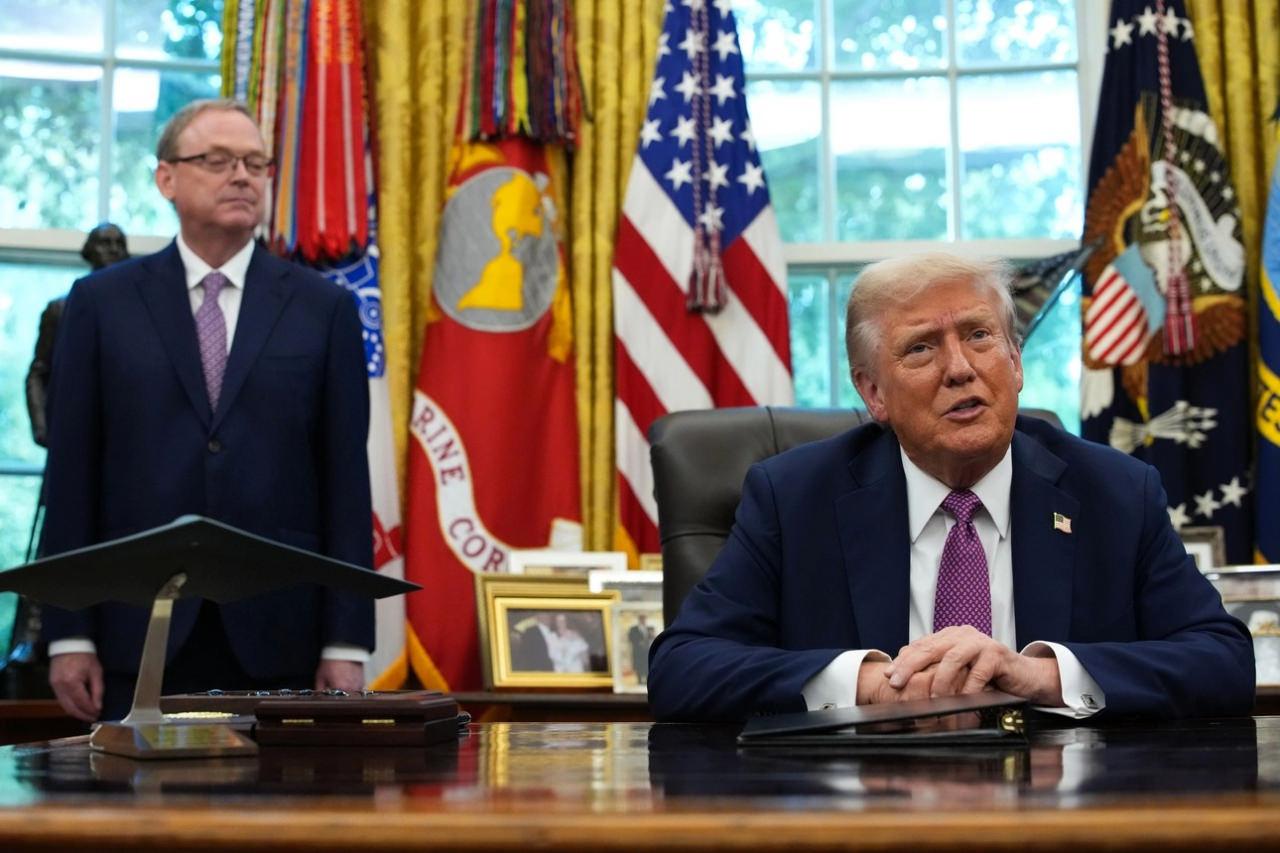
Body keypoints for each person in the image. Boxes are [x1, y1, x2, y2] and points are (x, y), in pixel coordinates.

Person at [648, 252, 1255, 722]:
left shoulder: (1115, 492)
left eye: (979, 335)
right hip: (861, 808)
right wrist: (869, 685)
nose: (960, 368)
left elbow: (1223, 660)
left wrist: (1039, 676)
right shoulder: (793, 498)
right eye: (921, 348)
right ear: (873, 394)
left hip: (1058, 805)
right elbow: (682, 667)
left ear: (1015, 362)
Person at [40, 99, 375, 722]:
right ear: (166, 178)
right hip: (133, 628)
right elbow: (70, 475)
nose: (241, 176)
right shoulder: (101, 304)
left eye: (255, 162)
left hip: (281, 633)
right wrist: (69, 633)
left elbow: (346, 484)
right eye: (217, 161)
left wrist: (347, 641)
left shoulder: (323, 309)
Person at [25, 223, 130, 448]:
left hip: (124, 435)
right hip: (70, 430)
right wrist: (41, 427)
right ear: (89, 251)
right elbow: (38, 372)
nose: (113, 249)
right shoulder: (60, 309)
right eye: (105, 243)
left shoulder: (139, 310)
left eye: (119, 244)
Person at [628, 613, 654, 685]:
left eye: (644, 619)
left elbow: (653, 638)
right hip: (638, 651)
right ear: (639, 620)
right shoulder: (634, 629)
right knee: (639, 665)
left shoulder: (649, 628)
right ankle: (639, 680)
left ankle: (647, 680)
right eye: (642, 619)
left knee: (646, 665)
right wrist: (638, 642)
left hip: (647, 651)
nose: (643, 620)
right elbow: (630, 638)